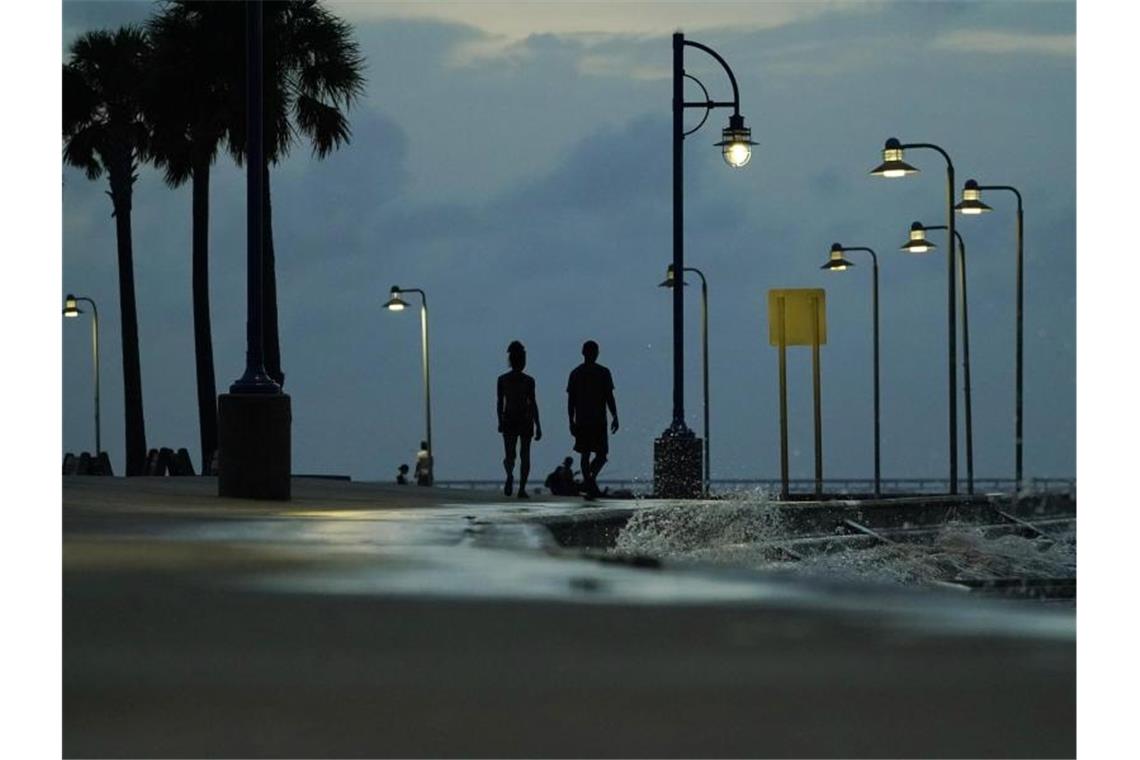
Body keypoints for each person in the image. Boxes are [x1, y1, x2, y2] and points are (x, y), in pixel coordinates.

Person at [566, 340, 619, 499]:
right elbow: (609, 397)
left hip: (587, 420)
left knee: (589, 454)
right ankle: (590, 483)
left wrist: (571, 421)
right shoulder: (601, 372)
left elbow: (571, 402)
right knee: (596, 454)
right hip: (594, 420)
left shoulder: (578, 373)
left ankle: (589, 482)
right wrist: (615, 416)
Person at [497, 341, 542, 498]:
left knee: (510, 455)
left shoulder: (502, 379)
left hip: (509, 418)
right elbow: (533, 403)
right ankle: (521, 488)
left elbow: (500, 403)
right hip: (525, 419)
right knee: (525, 455)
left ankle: (510, 474)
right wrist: (538, 425)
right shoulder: (528, 380)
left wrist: (499, 421)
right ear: (522, 361)